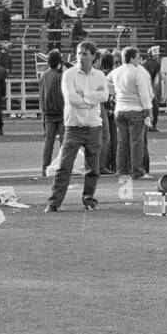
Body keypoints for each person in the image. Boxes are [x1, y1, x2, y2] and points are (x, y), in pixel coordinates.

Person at [45, 41, 109, 212]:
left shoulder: (100, 76)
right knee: (64, 166)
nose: (81, 57)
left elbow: (104, 96)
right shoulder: (69, 75)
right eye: (79, 53)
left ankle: (89, 199)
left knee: (93, 168)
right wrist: (90, 100)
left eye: (85, 54)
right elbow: (71, 99)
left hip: (93, 126)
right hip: (73, 127)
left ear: (93, 57)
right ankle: (54, 202)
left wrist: (85, 95)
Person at [109, 46, 153, 179]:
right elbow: (145, 93)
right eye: (138, 57)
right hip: (135, 109)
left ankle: (122, 170)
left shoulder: (116, 71)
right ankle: (137, 172)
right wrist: (149, 110)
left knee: (122, 142)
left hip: (120, 110)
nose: (139, 59)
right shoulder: (138, 72)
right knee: (136, 143)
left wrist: (115, 95)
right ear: (132, 58)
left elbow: (105, 83)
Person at [38, 50, 65, 175]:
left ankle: (45, 168)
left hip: (48, 112)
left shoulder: (44, 75)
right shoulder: (62, 75)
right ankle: (62, 167)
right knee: (63, 143)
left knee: (48, 142)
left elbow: (41, 93)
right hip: (61, 112)